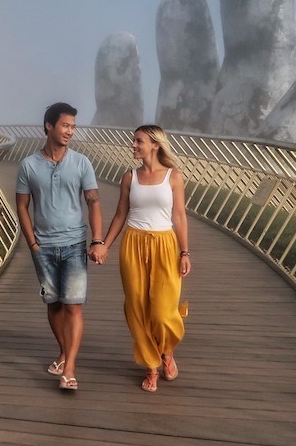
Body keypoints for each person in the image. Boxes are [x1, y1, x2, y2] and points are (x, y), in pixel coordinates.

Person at [89, 124, 190, 392]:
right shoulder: (129, 177)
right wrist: (103, 245)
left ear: (155, 144)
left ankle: (166, 350)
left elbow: (179, 216)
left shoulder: (173, 177)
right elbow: (121, 214)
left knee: (162, 311)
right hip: (133, 243)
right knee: (137, 308)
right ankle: (151, 365)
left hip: (165, 245)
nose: (132, 145)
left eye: (138, 141)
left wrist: (184, 251)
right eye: (133, 141)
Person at [15, 102, 103, 391]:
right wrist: (33, 244)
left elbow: (93, 203)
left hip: (75, 244)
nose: (70, 131)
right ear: (49, 126)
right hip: (43, 247)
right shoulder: (28, 165)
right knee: (52, 304)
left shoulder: (81, 163)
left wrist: (97, 240)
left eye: (73, 127)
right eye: (65, 125)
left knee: (73, 306)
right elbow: (22, 206)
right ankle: (65, 353)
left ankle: (71, 368)